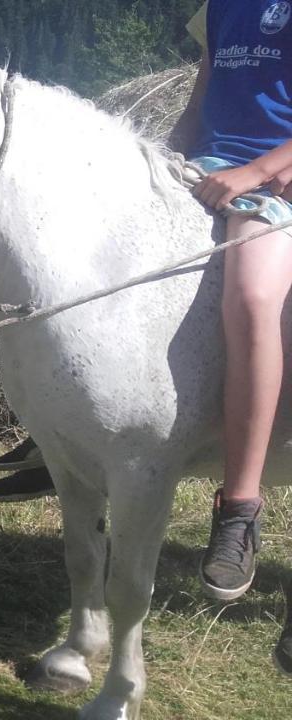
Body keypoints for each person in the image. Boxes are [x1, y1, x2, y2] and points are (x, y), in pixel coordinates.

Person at [182, 0, 292, 605]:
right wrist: (169, 149)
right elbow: (207, 81)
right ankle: (66, 432)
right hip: (212, 162)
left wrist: (258, 169)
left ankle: (240, 506)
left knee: (252, 294)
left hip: (276, 174)